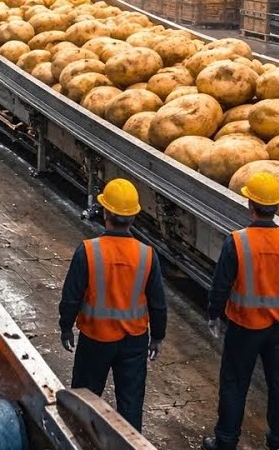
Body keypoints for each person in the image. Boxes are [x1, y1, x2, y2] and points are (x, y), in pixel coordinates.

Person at [203, 171, 279, 450]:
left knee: (234, 383)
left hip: (245, 326)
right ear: (276, 207)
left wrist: (214, 313)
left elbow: (221, 284)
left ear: (250, 206)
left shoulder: (237, 241)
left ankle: (226, 441)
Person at [58, 178, 168, 431]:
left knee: (85, 399)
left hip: (95, 338)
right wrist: (158, 337)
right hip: (134, 341)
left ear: (106, 212)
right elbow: (158, 303)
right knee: (130, 404)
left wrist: (66, 326)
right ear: (133, 217)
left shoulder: (88, 251)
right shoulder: (146, 254)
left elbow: (71, 297)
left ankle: (80, 441)